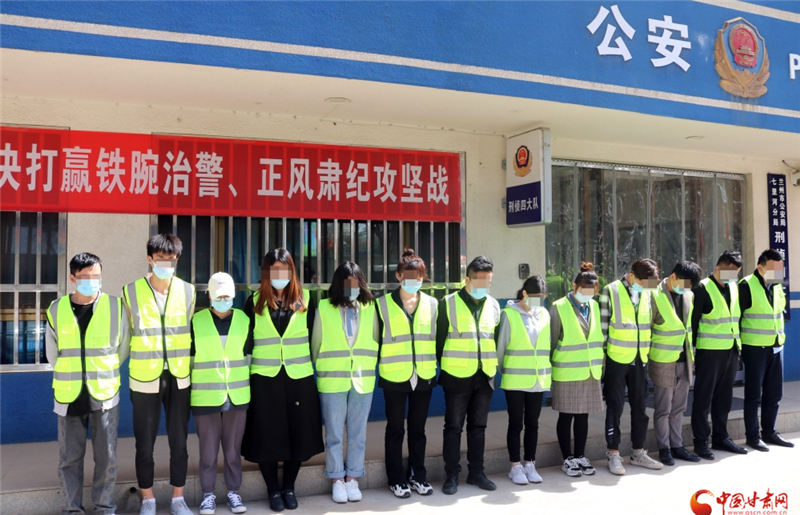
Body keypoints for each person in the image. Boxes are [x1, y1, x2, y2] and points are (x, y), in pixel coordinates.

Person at [46, 252, 130, 515]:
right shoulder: (56, 308)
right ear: (72, 278)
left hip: (104, 394)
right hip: (68, 395)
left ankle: (104, 508)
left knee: (107, 458)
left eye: (96, 276)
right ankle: (73, 510)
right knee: (69, 460)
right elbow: (52, 353)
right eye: (84, 277)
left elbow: (123, 348)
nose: (91, 281)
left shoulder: (116, 307)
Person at [241, 249, 324, 512]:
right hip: (264, 378)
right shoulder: (254, 301)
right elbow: (246, 343)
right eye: (274, 269)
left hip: (299, 376)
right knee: (266, 433)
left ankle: (288, 487)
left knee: (297, 433)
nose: (280, 275)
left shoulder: (306, 299)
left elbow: (315, 337)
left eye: (284, 269)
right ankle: (272, 489)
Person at [123, 234, 196, 515]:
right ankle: (148, 499)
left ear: (177, 260)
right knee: (145, 444)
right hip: (144, 377)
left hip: (179, 376)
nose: (166, 264)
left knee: (179, 441)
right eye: (160, 259)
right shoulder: (130, 292)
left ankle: (178, 499)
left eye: (171, 259)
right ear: (149, 259)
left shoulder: (188, 291)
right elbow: (126, 335)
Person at [311, 262, 379, 504]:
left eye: (356, 283)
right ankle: (336, 478)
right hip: (333, 379)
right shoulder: (324, 307)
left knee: (358, 433)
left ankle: (353, 477)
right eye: (347, 283)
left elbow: (375, 339)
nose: (352, 288)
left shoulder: (370, 307)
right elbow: (316, 344)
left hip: (362, 378)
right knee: (334, 433)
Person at [437, 255, 501, 495]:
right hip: (456, 375)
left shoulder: (494, 305)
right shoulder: (448, 303)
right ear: (467, 279)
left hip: (485, 375)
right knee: (453, 427)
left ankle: (477, 473)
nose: (484, 285)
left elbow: (494, 339)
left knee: (479, 427)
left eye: (488, 281)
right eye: (479, 280)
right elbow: (439, 341)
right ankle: (452, 475)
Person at [376, 250, 438, 498]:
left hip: (424, 374)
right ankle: (396, 479)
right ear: (398, 276)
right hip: (394, 375)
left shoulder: (433, 304)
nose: (415, 281)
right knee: (395, 429)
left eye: (419, 277)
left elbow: (438, 339)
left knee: (418, 429)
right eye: (410, 277)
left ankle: (417, 475)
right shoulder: (381, 304)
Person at [599, 258, 663, 475]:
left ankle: (638, 452)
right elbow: (603, 329)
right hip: (616, 359)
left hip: (640, 358)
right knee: (615, 407)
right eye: (644, 283)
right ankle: (613, 453)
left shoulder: (648, 292)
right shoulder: (611, 290)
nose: (647, 287)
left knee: (640, 406)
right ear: (633, 276)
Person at [192, 273, 249, 515]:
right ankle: (208, 494)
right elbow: (191, 359)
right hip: (205, 395)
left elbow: (248, 355)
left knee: (233, 449)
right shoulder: (196, 321)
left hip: (237, 393)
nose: (223, 300)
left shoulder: (244, 320)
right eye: (219, 296)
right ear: (209, 296)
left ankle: (234, 492)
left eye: (227, 296)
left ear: (233, 296)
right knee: (208, 450)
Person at [691, 249, 748, 459]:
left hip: (731, 350)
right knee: (703, 398)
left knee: (724, 398)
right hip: (709, 352)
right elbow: (693, 324)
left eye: (736, 273)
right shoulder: (702, 288)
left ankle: (721, 437)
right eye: (730, 272)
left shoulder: (733, 287)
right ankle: (700, 441)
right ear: (718, 268)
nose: (733, 277)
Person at [549, 263, 605, 478]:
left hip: (590, 371)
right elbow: (552, 340)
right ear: (574, 286)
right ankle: (568, 458)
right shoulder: (559, 306)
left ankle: (580, 455)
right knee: (566, 416)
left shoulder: (595, 306)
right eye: (585, 290)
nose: (589, 294)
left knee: (583, 417)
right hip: (567, 371)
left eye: (593, 291)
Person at [496, 275, 551, 485]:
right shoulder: (508, 314)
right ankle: (515, 467)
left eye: (542, 298)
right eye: (535, 297)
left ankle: (529, 463)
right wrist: (505, 371)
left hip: (537, 379)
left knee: (533, 424)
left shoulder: (544, 314)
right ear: (525, 293)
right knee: (516, 423)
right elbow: (501, 348)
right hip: (515, 379)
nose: (539, 301)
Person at [648, 261, 703, 466]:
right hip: (663, 360)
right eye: (684, 284)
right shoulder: (653, 294)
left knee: (679, 407)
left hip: (685, 358)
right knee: (663, 408)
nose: (686, 289)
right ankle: (664, 448)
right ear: (673, 277)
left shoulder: (689, 295)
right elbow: (647, 328)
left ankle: (677, 446)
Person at [739, 249, 794, 450]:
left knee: (774, 394)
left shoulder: (778, 286)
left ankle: (770, 432)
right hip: (755, 348)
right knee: (754, 395)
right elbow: (736, 317)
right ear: (760, 267)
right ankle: (753, 436)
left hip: (776, 347)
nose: (777, 273)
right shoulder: (746, 285)